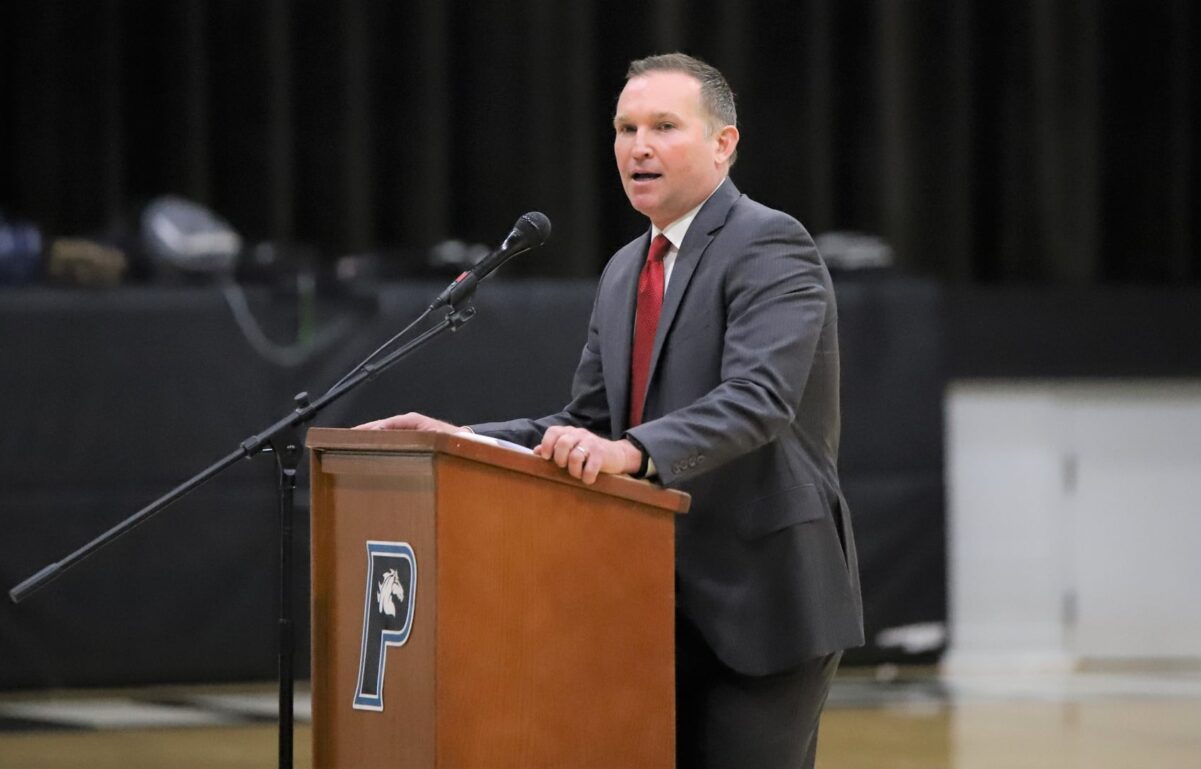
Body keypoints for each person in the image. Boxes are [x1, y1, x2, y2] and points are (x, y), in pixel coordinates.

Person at [358, 52, 863, 769]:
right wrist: (461, 439)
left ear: (725, 144)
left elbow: (758, 400)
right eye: (625, 128)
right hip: (650, 598)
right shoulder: (627, 267)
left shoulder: (771, 245)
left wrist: (636, 451)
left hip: (765, 597)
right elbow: (589, 422)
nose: (639, 147)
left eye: (663, 126)